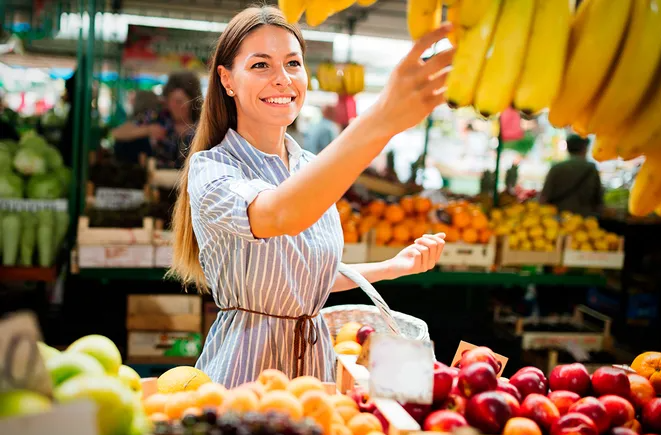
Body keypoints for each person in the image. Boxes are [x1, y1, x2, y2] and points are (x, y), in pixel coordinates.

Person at [168, 6, 454, 387]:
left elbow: (302, 275)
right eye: (260, 66)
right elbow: (279, 215)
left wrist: (392, 267)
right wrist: (380, 119)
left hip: (315, 370)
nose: (282, 79)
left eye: (292, 63)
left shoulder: (310, 166)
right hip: (246, 371)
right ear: (227, 79)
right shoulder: (212, 168)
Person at [111, 71, 202, 168]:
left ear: (192, 102)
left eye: (179, 101)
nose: (175, 106)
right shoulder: (157, 117)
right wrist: (147, 130)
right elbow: (117, 133)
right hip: (158, 178)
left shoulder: (202, 124)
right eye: (171, 101)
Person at [540, 134, 604, 216]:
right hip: (585, 220)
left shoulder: (556, 168)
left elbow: (545, 196)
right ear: (584, 148)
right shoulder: (591, 168)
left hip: (558, 219)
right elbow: (598, 198)